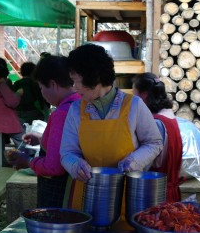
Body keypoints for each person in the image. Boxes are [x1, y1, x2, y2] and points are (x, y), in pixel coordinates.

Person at [60, 44, 162, 214]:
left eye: (76, 81)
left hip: (127, 195)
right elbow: (67, 152)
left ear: (94, 78)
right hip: (86, 193)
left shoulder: (134, 105)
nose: (74, 87)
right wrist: (75, 164)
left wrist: (135, 161)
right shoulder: (76, 109)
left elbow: (154, 142)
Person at [6, 56, 81, 208]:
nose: (41, 92)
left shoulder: (62, 113)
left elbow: (53, 166)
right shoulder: (79, 102)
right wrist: (42, 138)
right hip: (75, 190)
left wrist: (27, 161)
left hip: (59, 193)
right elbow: (68, 142)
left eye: (41, 87)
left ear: (53, 84)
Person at [133, 73, 182, 202]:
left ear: (144, 95)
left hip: (157, 194)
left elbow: (145, 164)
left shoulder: (156, 123)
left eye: (134, 94)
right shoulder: (169, 117)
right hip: (169, 192)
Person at [0, 58, 24, 159]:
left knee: (1, 139)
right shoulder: (0, 85)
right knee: (21, 138)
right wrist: (18, 93)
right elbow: (12, 102)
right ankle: (24, 159)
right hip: (3, 122)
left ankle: (1, 159)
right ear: (4, 76)